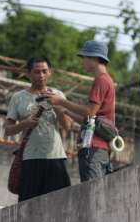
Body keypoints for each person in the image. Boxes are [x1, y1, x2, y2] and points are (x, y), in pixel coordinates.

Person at [43, 40, 116, 182]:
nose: (83, 61)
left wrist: (61, 101)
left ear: (94, 58)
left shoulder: (101, 81)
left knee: (92, 194)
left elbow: (89, 112)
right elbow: (92, 119)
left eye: (85, 57)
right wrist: (65, 111)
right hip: (99, 148)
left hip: (93, 147)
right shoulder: (107, 80)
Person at [6, 56, 72, 201]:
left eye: (44, 71)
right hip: (30, 158)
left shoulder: (58, 95)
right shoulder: (18, 98)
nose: (41, 75)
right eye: (36, 72)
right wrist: (25, 123)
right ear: (28, 74)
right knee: (28, 206)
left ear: (50, 73)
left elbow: (67, 126)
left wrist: (57, 105)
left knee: (61, 204)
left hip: (55, 157)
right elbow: (8, 130)